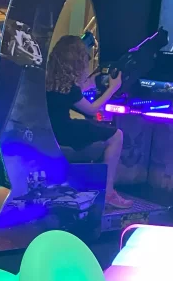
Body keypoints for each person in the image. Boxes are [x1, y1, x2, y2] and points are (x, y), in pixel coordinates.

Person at [46, 34, 131, 209]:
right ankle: (107, 192)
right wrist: (113, 88)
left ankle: (96, 186)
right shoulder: (69, 88)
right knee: (116, 135)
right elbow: (92, 109)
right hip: (66, 132)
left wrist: (89, 84)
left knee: (96, 127)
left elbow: (71, 99)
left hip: (52, 130)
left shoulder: (50, 81)